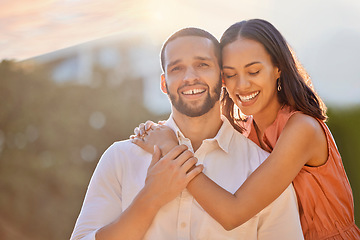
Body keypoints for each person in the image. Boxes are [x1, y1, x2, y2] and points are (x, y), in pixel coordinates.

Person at [132, 19, 360, 239]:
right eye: (230, 75)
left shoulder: (302, 128)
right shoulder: (245, 129)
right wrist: (162, 131)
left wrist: (172, 151)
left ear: (278, 68)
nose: (241, 85)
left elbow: (234, 213)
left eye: (253, 72)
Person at [70, 27, 304, 240]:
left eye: (202, 64)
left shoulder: (261, 170)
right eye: (177, 68)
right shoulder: (121, 158)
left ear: (222, 77)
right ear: (164, 83)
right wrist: (150, 197)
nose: (189, 77)